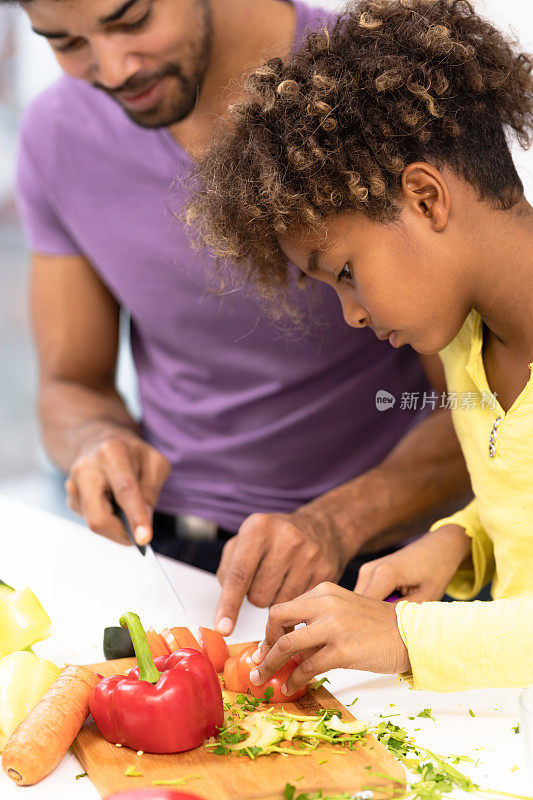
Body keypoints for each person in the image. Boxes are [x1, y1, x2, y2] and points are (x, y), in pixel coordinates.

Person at [12, 0, 468, 636]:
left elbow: (489, 411)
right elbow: (71, 384)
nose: (113, 69)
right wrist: (95, 440)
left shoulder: (378, 84)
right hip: (173, 557)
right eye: (65, 41)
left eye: (132, 20)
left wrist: (334, 522)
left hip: (392, 565)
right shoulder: (57, 136)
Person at [188, 0, 533, 690]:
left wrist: (402, 635)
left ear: (426, 198)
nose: (350, 314)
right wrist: (461, 541)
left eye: (344, 272)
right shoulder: (467, 344)